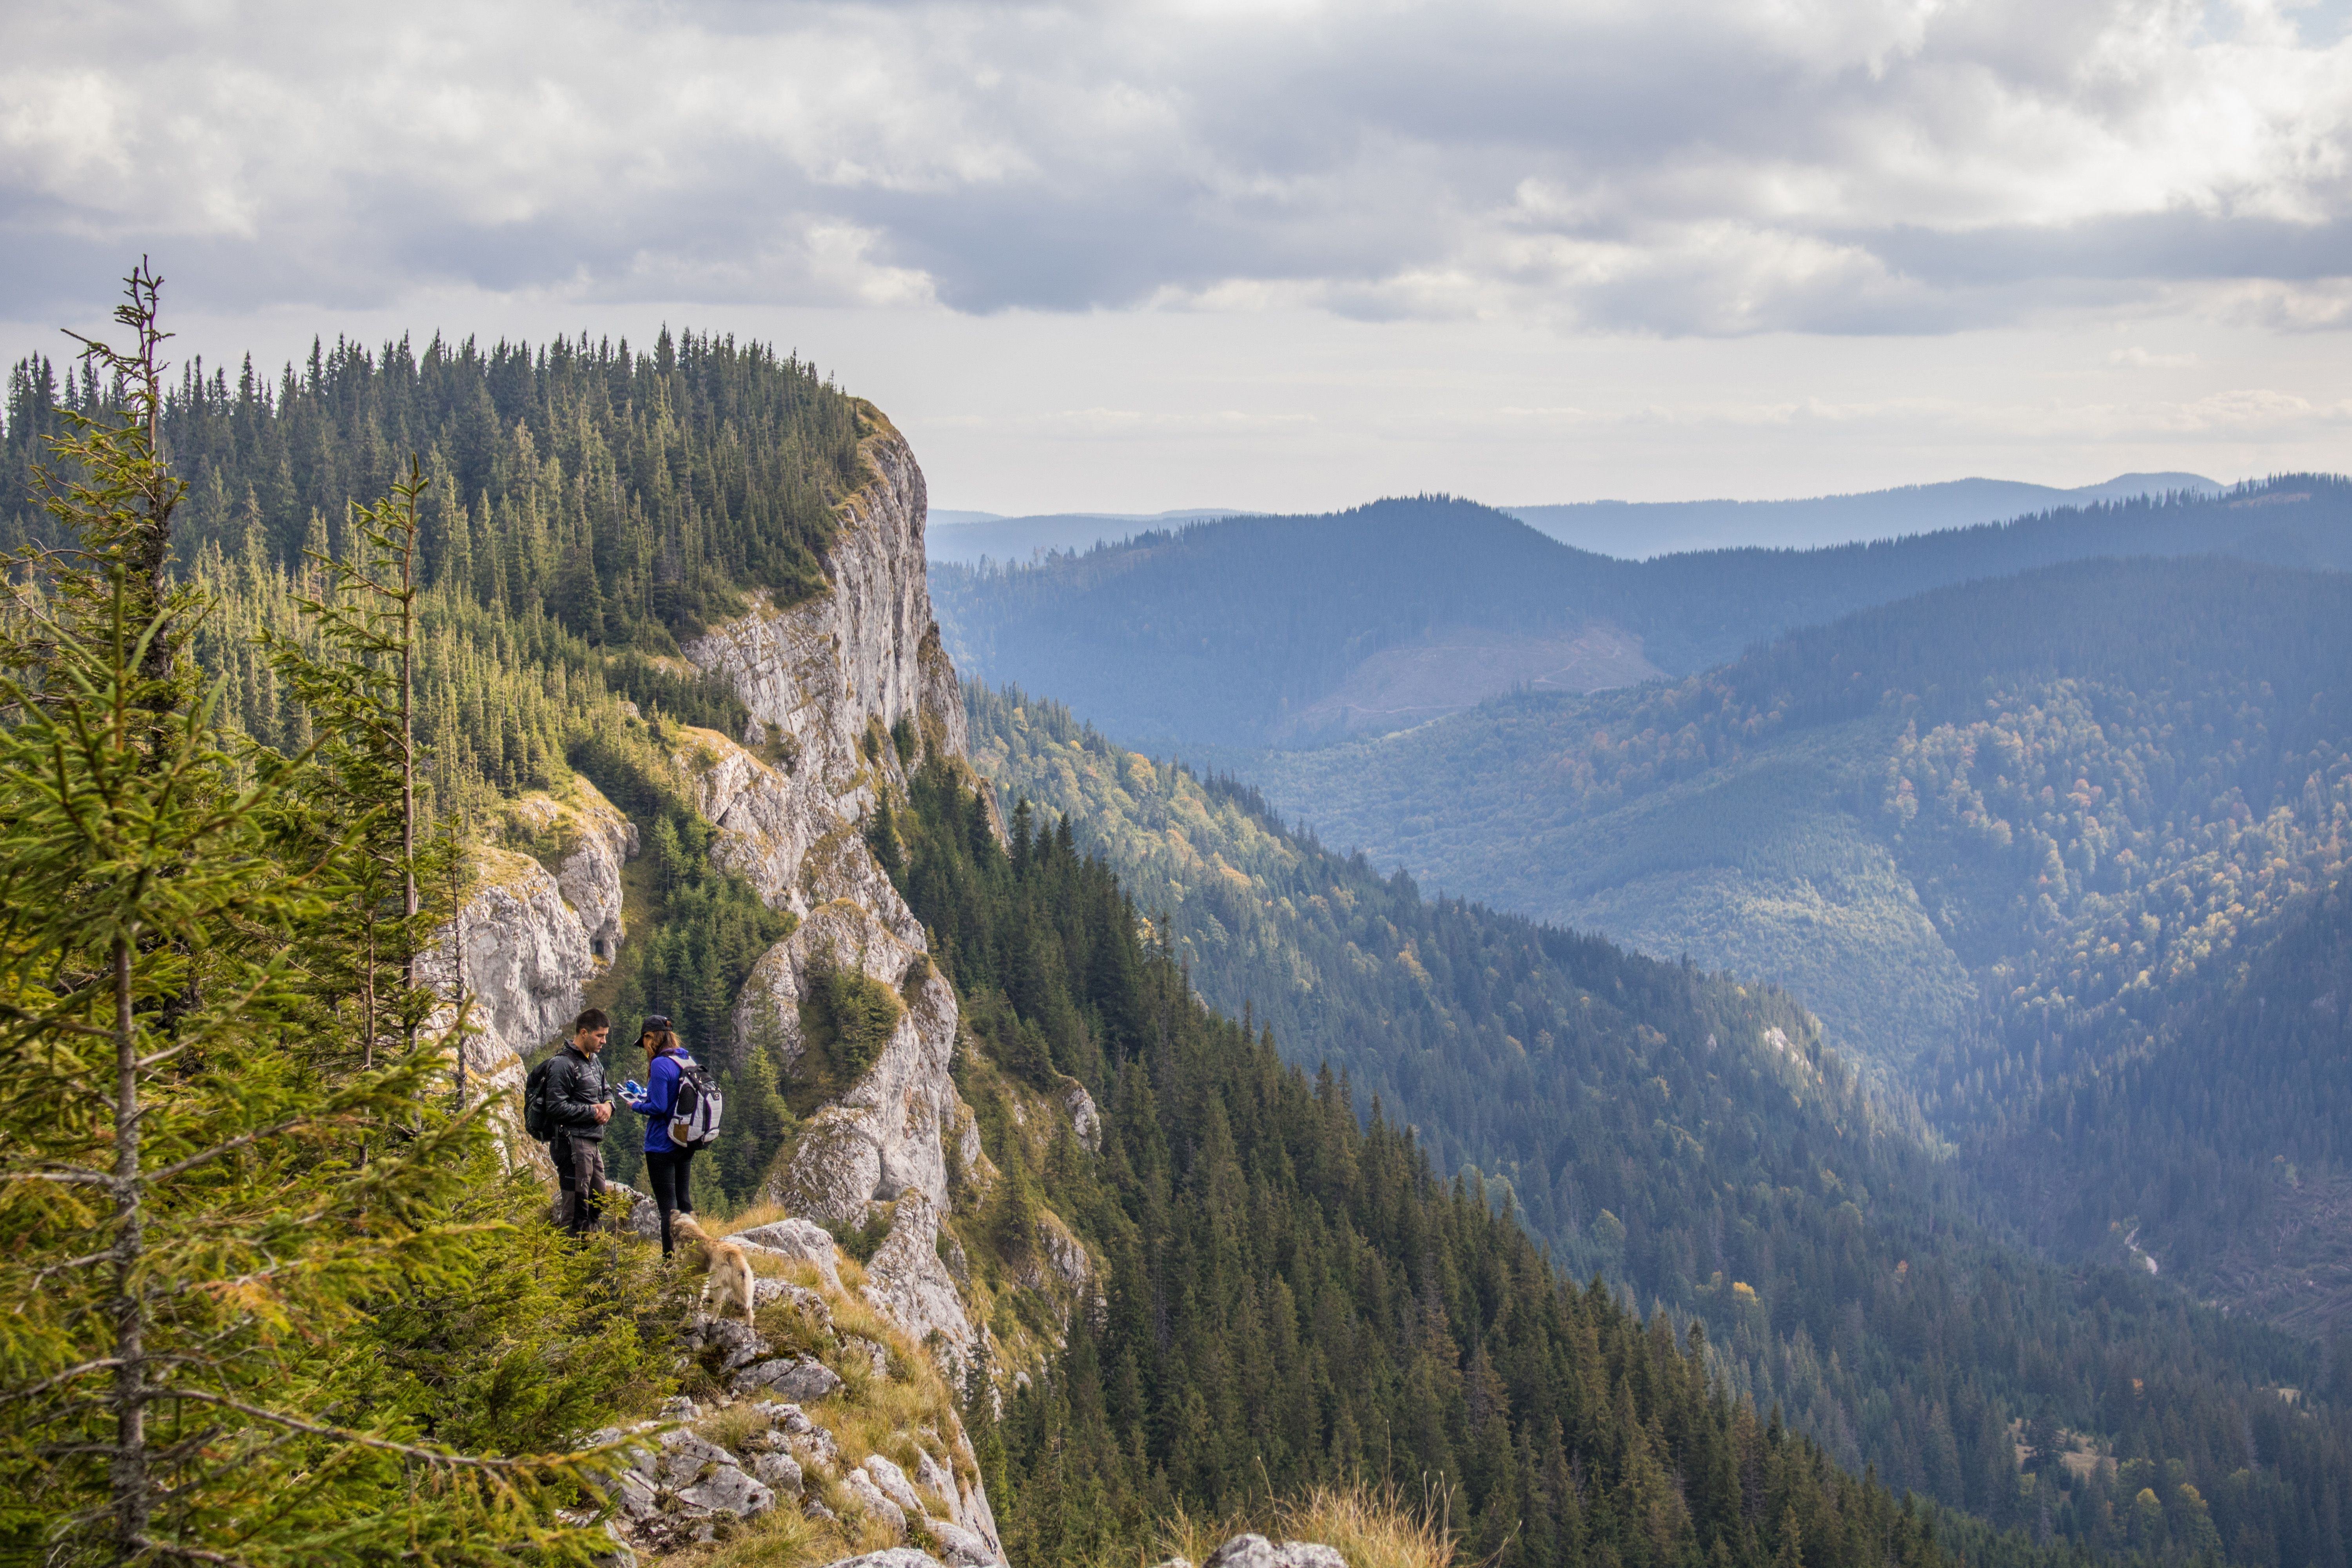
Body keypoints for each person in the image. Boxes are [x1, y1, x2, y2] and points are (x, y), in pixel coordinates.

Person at [622, 1014, 700, 1258]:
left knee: (668, 1207)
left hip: (661, 1145)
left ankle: (669, 1264)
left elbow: (658, 1107)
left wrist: (635, 1104)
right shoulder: (685, 1059)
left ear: (651, 1037)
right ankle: (693, 1257)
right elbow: (674, 1097)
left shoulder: (659, 1064)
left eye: (644, 1041)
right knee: (684, 1202)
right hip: (685, 1141)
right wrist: (647, 1094)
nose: (644, 1047)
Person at [545, 1007, 613, 1238]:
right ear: (583, 1033)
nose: (604, 1041)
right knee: (576, 1209)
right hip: (571, 1143)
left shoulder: (594, 1062)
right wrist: (592, 1111)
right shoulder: (562, 1064)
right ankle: (567, 1264)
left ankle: (586, 1255)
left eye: (605, 1036)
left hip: (591, 1142)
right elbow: (554, 1107)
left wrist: (609, 1106)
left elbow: (607, 1091)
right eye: (599, 1036)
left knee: (598, 1200)